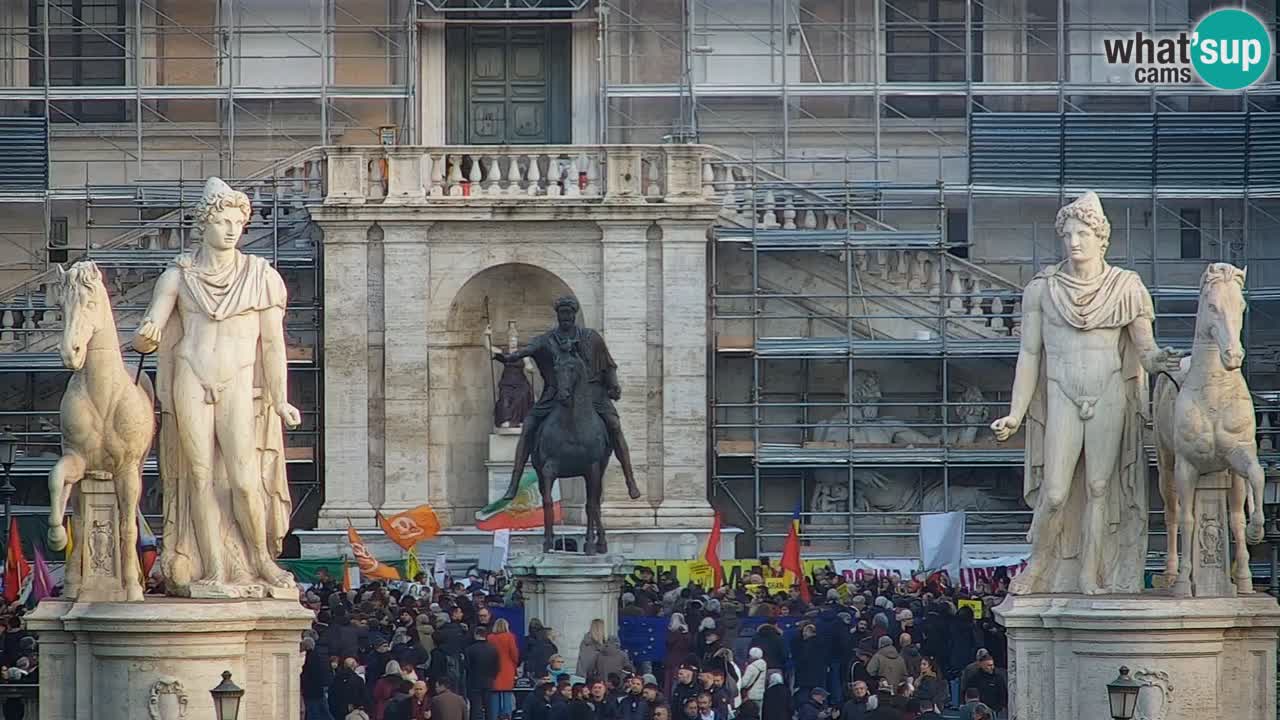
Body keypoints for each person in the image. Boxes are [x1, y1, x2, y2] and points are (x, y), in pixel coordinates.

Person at [990, 191, 1179, 595]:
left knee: (1100, 488)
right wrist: (1016, 413)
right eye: (1068, 234)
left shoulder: (1126, 287)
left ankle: (1089, 574)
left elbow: (1145, 351)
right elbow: (1029, 355)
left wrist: (1162, 360)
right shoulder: (1043, 288)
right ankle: (1038, 565)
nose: (1074, 241)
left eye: (1083, 233)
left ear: (1101, 238)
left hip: (1108, 392)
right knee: (1055, 493)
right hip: (1062, 395)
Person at [493, 296, 642, 502]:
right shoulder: (548, 339)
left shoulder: (592, 337)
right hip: (555, 394)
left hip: (592, 394)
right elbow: (528, 349)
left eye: (569, 313)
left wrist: (613, 385)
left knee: (614, 425)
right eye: (562, 313)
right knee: (528, 426)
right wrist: (511, 357)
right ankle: (513, 484)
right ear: (558, 315)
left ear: (575, 314)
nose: (566, 317)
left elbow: (608, 365)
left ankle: (630, 480)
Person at [488, 618, 520, 720]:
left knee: (494, 696)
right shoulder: (510, 637)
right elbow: (514, 654)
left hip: (493, 669)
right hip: (507, 669)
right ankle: (507, 717)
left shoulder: (490, 638)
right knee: (507, 695)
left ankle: (494, 717)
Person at [465, 628, 498, 720]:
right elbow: (496, 667)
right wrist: (492, 676)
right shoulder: (493, 649)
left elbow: (467, 666)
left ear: (476, 635)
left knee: (476, 707)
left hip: (474, 681)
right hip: (488, 681)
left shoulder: (470, 649)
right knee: (489, 707)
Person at [303, 637, 336, 720]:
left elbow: (307, 676)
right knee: (324, 712)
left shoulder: (308, 659)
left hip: (311, 692)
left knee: (314, 714)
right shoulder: (319, 656)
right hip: (320, 689)